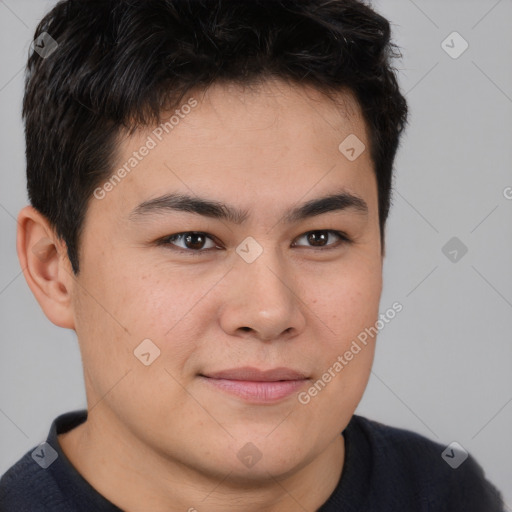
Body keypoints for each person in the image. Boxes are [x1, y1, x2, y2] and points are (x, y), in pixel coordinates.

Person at [0, 0, 505, 510]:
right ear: (52, 268)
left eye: (320, 237)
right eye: (192, 240)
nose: (269, 313)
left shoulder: (451, 495)